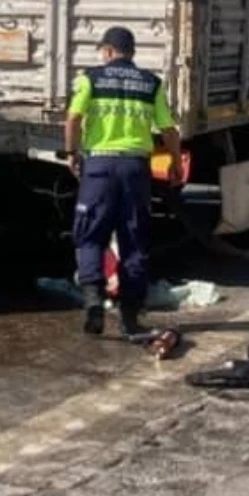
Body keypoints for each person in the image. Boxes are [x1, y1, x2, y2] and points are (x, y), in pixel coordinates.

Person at [65, 26, 183, 339]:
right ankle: (130, 316)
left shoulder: (89, 78)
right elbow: (169, 130)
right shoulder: (150, 84)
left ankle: (93, 301)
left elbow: (74, 118)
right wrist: (173, 160)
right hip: (135, 169)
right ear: (131, 52)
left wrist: (71, 152)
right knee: (134, 240)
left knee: (90, 235)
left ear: (107, 51)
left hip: (99, 167)